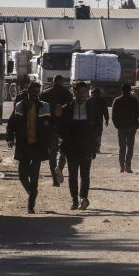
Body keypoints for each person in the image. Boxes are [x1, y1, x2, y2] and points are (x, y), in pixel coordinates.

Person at [5, 81, 52, 214]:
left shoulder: (44, 107)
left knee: (34, 176)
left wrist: (48, 145)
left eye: (38, 92)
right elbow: (11, 123)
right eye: (33, 92)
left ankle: (30, 205)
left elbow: (49, 128)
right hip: (23, 145)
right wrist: (9, 137)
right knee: (22, 176)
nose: (35, 94)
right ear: (28, 91)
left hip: (38, 146)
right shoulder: (20, 106)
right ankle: (33, 192)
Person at [58, 81, 100, 210]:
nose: (82, 95)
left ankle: (83, 198)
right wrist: (64, 141)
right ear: (74, 92)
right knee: (72, 175)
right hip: (71, 147)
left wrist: (95, 145)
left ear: (87, 93)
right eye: (79, 92)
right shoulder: (67, 108)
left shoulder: (92, 108)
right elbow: (59, 127)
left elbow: (98, 128)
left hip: (86, 146)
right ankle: (74, 200)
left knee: (85, 175)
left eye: (84, 92)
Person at [40, 75, 73, 187]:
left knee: (52, 154)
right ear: (62, 82)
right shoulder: (68, 94)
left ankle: (54, 178)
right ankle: (60, 168)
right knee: (64, 152)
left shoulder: (45, 93)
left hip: (50, 128)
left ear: (53, 82)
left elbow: (41, 112)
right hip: (64, 128)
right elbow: (70, 112)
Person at [112, 84, 139, 173]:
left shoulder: (117, 100)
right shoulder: (134, 100)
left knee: (122, 147)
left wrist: (117, 125)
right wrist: (137, 125)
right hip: (131, 127)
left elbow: (114, 115)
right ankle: (128, 165)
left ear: (122, 90)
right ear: (130, 90)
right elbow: (138, 113)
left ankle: (121, 166)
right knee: (130, 147)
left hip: (121, 127)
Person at [90, 87, 109, 155]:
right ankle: (96, 149)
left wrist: (107, 119)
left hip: (92, 121)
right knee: (97, 135)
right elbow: (105, 110)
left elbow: (105, 110)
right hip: (98, 121)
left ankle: (94, 148)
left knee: (94, 134)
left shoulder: (89, 100)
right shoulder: (102, 100)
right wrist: (106, 119)